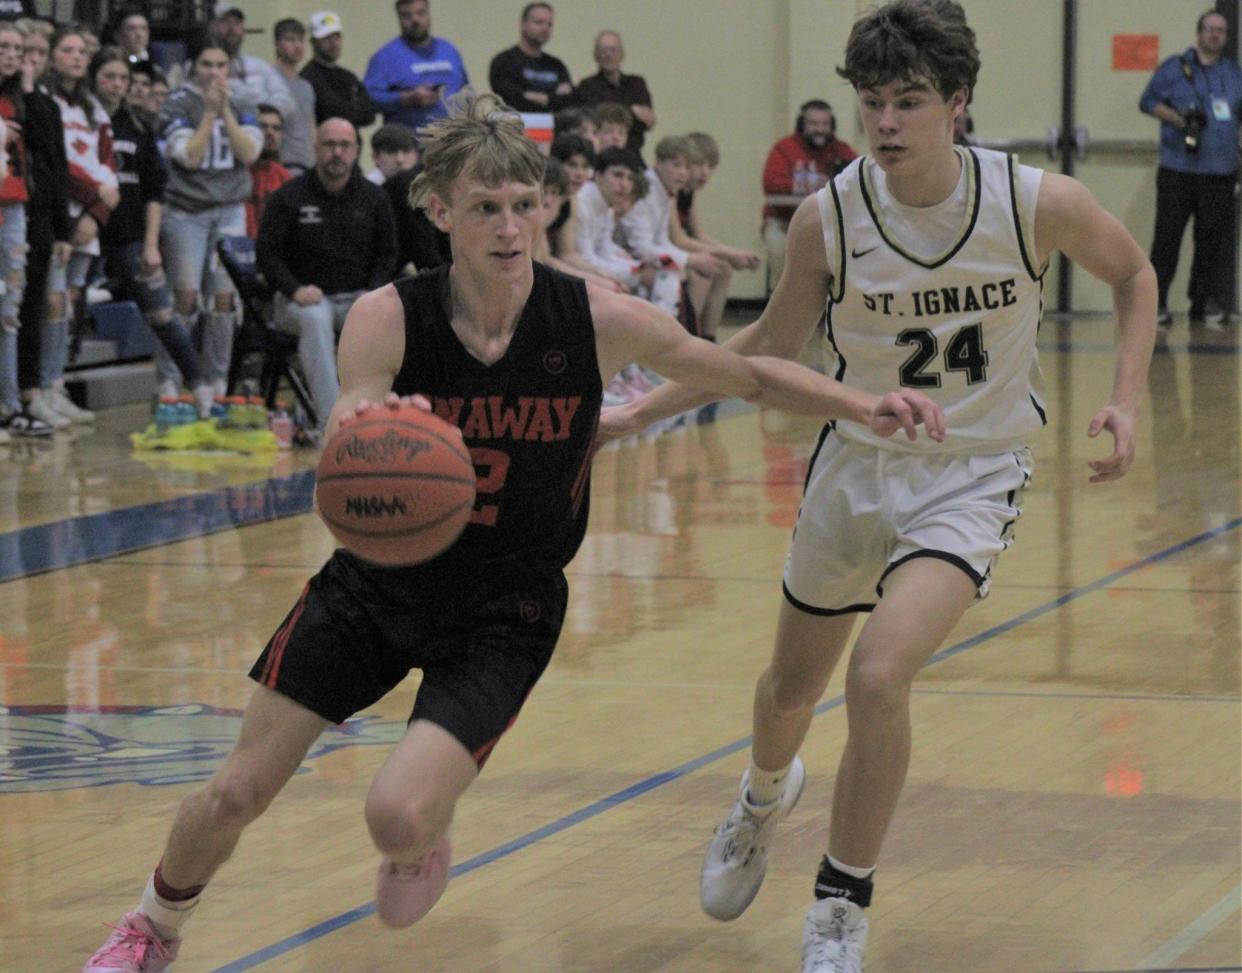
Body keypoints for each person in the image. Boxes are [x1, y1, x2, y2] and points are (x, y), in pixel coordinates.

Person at [81, 90, 943, 972]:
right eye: (484, 208)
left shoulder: (593, 317)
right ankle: (151, 926)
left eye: (523, 206)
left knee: (394, 814)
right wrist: (369, 432)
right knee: (233, 791)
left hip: (507, 605)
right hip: (374, 584)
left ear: (546, 208)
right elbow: (347, 414)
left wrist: (865, 404)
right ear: (439, 210)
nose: (506, 227)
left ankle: (423, 832)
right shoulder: (390, 313)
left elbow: (748, 374)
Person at [601, 3, 1156, 971]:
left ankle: (840, 903)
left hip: (972, 475)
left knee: (879, 672)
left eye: (908, 102)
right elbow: (766, 349)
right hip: (855, 466)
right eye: (872, 105)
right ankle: (762, 794)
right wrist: (635, 413)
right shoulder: (831, 216)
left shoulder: (1033, 201)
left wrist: (1125, 399)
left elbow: (1136, 274)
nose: (887, 123)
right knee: (787, 691)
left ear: (957, 103)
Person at [91, 47, 214, 417]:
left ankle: (202, 388)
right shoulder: (83, 122)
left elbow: (154, 192)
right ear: (94, 80)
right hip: (85, 235)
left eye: (122, 79)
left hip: (129, 238)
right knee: (66, 312)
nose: (116, 85)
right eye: (109, 77)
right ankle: (49, 390)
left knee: (162, 314)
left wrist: (150, 245)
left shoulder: (137, 128)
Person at [257, 117, 397, 437]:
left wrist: (373, 294)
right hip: (300, 301)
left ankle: (383, 415)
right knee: (316, 320)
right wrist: (294, 289)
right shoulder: (288, 197)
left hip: (356, 298)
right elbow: (267, 255)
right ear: (316, 148)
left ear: (357, 151)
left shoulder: (375, 198)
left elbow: (389, 255)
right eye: (330, 145)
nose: (337, 152)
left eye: (345, 145)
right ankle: (334, 422)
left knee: (389, 318)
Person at [155, 39, 260, 400]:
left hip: (230, 209)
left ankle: (217, 379)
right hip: (187, 211)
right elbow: (189, 157)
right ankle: (170, 377)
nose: (214, 72)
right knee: (183, 296)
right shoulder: (178, 104)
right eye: (206, 64)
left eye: (220, 65)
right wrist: (210, 114)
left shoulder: (244, 102)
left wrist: (225, 111)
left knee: (224, 299)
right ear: (193, 68)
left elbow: (249, 153)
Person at [1139, 10, 1242, 332]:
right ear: (1199, 33)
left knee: (1211, 241)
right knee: (1167, 240)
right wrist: (1178, 118)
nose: (1215, 35)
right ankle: (1156, 304)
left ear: (1225, 37)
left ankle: (1202, 304)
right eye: (1210, 29)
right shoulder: (1175, 68)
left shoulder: (1233, 73)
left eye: (1221, 31)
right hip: (1178, 170)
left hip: (1220, 173)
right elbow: (1147, 101)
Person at [672, 132, 763, 341]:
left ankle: (708, 338)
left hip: (679, 249)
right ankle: (686, 338)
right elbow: (678, 240)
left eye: (710, 166)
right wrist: (730, 253)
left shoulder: (688, 193)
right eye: (699, 165)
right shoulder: (672, 191)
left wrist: (734, 254)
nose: (705, 173)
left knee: (723, 269)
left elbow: (699, 234)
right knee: (704, 273)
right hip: (669, 250)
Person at [762, 99, 857, 288]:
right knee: (781, 253)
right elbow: (771, 184)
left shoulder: (842, 151)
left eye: (824, 124)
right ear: (802, 125)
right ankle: (785, 305)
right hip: (783, 222)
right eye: (813, 124)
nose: (819, 129)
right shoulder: (784, 148)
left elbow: (857, 181)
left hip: (830, 224)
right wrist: (814, 184)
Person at [363, 0, 468, 132]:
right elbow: (368, 100)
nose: (415, 20)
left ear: (429, 14)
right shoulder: (384, 57)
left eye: (420, 13)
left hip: (454, 142)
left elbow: (467, 91)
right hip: (408, 145)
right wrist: (406, 98)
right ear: (398, 18)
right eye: (407, 15)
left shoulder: (449, 51)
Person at [206, 3, 296, 130]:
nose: (232, 28)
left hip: (261, 136)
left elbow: (286, 100)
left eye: (237, 23)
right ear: (213, 27)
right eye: (225, 22)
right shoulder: (202, 66)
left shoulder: (259, 66)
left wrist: (261, 115)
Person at [488, 2, 576, 113]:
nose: (545, 28)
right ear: (523, 24)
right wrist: (551, 98)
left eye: (549, 24)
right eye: (539, 22)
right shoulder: (503, 61)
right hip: (515, 127)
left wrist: (531, 95)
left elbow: (570, 100)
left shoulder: (557, 65)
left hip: (551, 128)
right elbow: (509, 98)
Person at [575, 30, 654, 152]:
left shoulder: (637, 83)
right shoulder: (587, 86)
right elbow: (595, 120)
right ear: (595, 55)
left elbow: (648, 121)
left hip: (633, 153)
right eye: (603, 50)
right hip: (602, 154)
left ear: (622, 54)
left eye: (613, 50)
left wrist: (610, 112)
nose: (608, 54)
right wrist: (633, 111)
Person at [300, 10, 375, 130]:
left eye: (337, 36)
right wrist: (352, 108)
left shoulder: (348, 76)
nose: (333, 43)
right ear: (313, 42)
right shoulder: (307, 78)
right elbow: (328, 111)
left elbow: (370, 113)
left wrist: (343, 110)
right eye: (326, 38)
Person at [270, 18, 316, 175]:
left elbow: (310, 128)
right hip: (282, 164)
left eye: (301, 41)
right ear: (277, 43)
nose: (297, 46)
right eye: (290, 40)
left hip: (308, 165)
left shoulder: (306, 86)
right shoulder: (269, 79)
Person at [245, 103, 291, 237]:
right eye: (263, 126)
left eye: (276, 128)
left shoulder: (284, 177)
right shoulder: (237, 173)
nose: (270, 133)